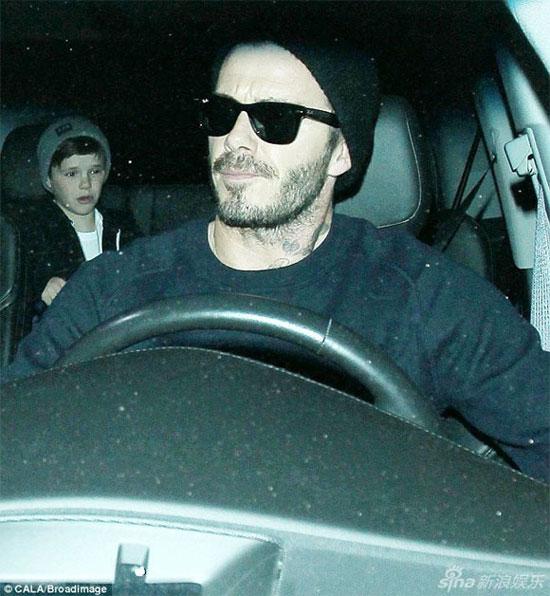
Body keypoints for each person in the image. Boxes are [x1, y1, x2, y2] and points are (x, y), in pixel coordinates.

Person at [3, 40, 549, 482]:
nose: (235, 141)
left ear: (341, 151)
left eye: (276, 118)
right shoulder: (111, 288)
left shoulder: (424, 295)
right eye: (221, 114)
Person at [4, 116, 139, 333]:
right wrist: (39, 290)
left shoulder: (122, 227)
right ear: (49, 180)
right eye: (71, 173)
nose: (85, 183)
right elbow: (14, 293)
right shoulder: (29, 234)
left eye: (94, 171)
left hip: (123, 335)